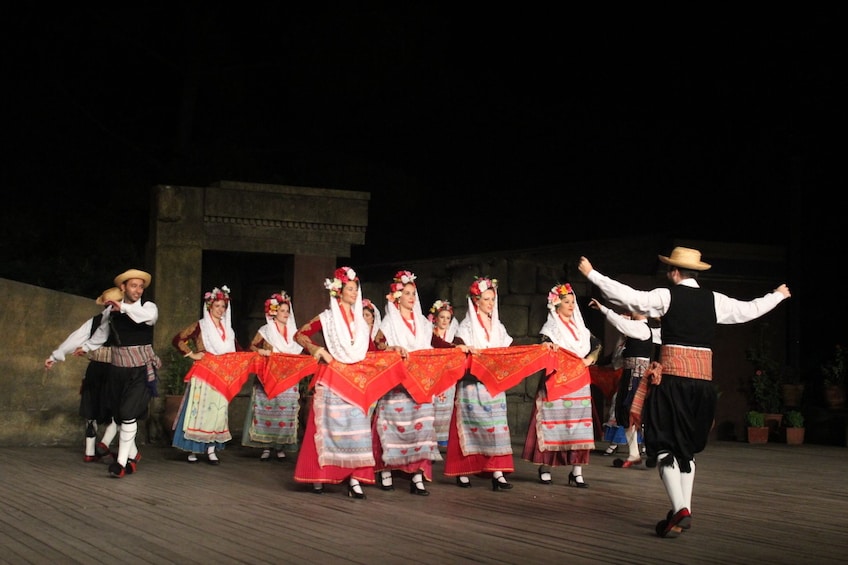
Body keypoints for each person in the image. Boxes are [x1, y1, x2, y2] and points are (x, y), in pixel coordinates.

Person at [578, 247, 791, 538]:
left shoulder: (668, 296)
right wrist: (777, 295)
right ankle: (682, 512)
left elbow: (630, 297)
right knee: (686, 450)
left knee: (663, 444)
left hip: (674, 382)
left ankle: (681, 508)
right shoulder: (714, 300)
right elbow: (749, 309)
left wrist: (593, 274)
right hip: (703, 385)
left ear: (674, 272)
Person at [293, 266, 376, 498]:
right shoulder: (327, 318)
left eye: (355, 289)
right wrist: (317, 349)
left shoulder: (361, 321)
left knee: (357, 431)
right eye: (349, 289)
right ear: (339, 291)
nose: (353, 292)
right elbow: (299, 334)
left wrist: (392, 350)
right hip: (332, 379)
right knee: (326, 429)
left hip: (356, 381)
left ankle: (354, 479)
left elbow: (371, 348)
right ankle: (320, 475)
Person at [371, 270, 455, 495]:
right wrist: (392, 348)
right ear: (397, 298)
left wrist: (457, 349)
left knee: (422, 428)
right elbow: (377, 344)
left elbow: (436, 342)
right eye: (406, 293)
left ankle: (417, 476)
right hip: (397, 384)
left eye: (413, 293)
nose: (411, 297)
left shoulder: (423, 323)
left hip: (421, 383)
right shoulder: (390, 322)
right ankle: (387, 471)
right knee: (393, 426)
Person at [521, 283, 600, 488]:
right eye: (566, 302)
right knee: (554, 423)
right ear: (556, 305)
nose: (571, 305)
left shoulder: (581, 329)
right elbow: (544, 345)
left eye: (573, 302)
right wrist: (548, 346)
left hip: (579, 380)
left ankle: (577, 471)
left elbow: (597, 344)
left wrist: (589, 359)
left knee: (578, 426)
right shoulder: (550, 329)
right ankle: (545, 467)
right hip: (557, 381)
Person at [444, 276, 515, 490]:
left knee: (497, 427)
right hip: (472, 385)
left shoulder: (498, 326)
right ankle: (463, 471)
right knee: (470, 427)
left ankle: (498, 472)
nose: (491, 303)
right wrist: (464, 350)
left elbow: (507, 349)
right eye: (486, 299)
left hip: (493, 385)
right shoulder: (466, 327)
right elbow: (458, 352)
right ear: (476, 301)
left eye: (493, 299)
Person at [44, 286, 123, 463]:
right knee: (119, 408)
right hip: (116, 368)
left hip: (96, 367)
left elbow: (76, 338)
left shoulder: (96, 321)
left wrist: (55, 356)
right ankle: (104, 443)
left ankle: (90, 451)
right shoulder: (125, 321)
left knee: (92, 407)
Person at [171, 285, 242, 465]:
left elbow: (239, 352)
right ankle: (193, 449)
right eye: (217, 306)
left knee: (218, 412)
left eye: (223, 306)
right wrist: (192, 354)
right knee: (200, 411)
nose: (220, 310)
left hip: (223, 373)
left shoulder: (228, 330)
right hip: (205, 372)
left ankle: (211, 450)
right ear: (209, 306)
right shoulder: (201, 326)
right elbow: (178, 339)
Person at [102, 269, 161, 478]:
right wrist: (61, 353)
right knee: (119, 415)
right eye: (134, 286)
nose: (138, 290)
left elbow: (147, 318)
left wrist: (124, 307)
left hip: (141, 369)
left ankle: (120, 463)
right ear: (123, 288)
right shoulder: (111, 312)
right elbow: (98, 333)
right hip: (118, 370)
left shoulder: (148, 307)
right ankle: (132, 456)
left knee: (128, 414)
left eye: (141, 286)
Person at [589, 298, 659, 468]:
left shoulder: (640, 327)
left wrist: (603, 308)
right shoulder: (643, 328)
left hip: (636, 375)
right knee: (627, 413)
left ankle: (650, 451)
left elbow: (619, 322)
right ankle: (635, 452)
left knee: (632, 412)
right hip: (631, 373)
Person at [242, 290, 304, 462]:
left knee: (285, 412)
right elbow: (252, 346)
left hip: (288, 377)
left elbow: (301, 349)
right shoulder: (265, 330)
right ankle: (267, 446)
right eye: (282, 311)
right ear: (274, 312)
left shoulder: (294, 333)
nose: (285, 314)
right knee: (268, 410)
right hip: (269, 376)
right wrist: (261, 350)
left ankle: (281, 446)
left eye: (287, 311)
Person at [428, 299, 464, 450]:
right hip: (433, 376)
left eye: (447, 318)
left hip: (448, 378)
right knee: (432, 408)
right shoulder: (428, 335)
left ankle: (444, 441)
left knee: (447, 408)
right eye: (442, 317)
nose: (444, 321)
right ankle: (430, 442)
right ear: (436, 318)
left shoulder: (455, 338)